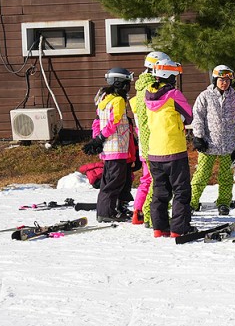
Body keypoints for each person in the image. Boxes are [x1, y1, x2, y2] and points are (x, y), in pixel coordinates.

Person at [145, 57, 193, 238]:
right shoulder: (174, 94)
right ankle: (178, 230)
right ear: (170, 74)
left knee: (160, 191)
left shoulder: (147, 94)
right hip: (174, 150)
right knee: (181, 191)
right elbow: (189, 116)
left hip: (154, 151)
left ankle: (159, 228)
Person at [83, 67, 137, 223]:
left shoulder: (103, 99)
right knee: (114, 182)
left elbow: (97, 122)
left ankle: (112, 209)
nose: (129, 87)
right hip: (117, 148)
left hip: (110, 149)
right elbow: (115, 121)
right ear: (119, 83)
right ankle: (106, 212)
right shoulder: (118, 100)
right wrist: (99, 138)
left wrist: (97, 140)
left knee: (114, 180)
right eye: (127, 83)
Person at [189, 65, 235, 215]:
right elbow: (198, 117)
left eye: (227, 80)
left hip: (229, 144)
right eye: (221, 80)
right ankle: (192, 202)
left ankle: (224, 202)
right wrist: (199, 137)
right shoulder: (205, 96)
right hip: (209, 143)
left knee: (226, 176)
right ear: (215, 80)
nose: (224, 83)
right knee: (202, 174)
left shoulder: (234, 97)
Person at [131, 50, 169, 226]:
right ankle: (150, 214)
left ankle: (138, 211)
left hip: (144, 141)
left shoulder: (140, 85)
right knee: (157, 180)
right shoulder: (152, 88)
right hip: (152, 141)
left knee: (147, 179)